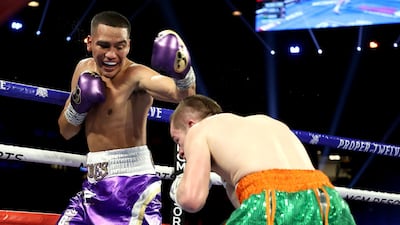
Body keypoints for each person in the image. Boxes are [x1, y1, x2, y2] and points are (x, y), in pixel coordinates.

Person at [56, 11, 196, 225]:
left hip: (132, 186)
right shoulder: (83, 70)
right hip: (93, 185)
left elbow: (184, 95)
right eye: (104, 46)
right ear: (90, 43)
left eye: (119, 46)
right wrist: (78, 104)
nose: (112, 55)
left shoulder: (137, 76)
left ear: (128, 45)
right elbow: (66, 131)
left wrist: (182, 69)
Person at [168, 95, 357, 225]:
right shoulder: (264, 123)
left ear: (191, 124)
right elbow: (248, 202)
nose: (182, 152)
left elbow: (191, 200)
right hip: (326, 199)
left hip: (271, 198)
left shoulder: (198, 131)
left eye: (178, 141)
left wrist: (179, 188)